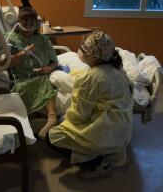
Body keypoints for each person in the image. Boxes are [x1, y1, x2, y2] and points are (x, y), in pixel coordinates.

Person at [46, 30, 133, 181]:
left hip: (105, 131)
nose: (81, 50)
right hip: (122, 126)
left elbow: (79, 115)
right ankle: (87, 153)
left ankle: (95, 163)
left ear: (94, 56)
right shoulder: (115, 69)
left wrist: (61, 119)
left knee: (52, 136)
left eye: (85, 49)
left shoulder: (91, 77)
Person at [6, 0, 58, 139]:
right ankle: (36, 123)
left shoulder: (43, 39)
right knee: (42, 82)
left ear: (36, 23)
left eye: (32, 23)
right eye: (25, 22)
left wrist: (47, 69)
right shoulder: (9, 39)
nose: (28, 26)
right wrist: (24, 53)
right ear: (18, 22)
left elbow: (55, 61)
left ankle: (51, 120)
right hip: (20, 80)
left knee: (47, 80)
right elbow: (6, 64)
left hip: (41, 75)